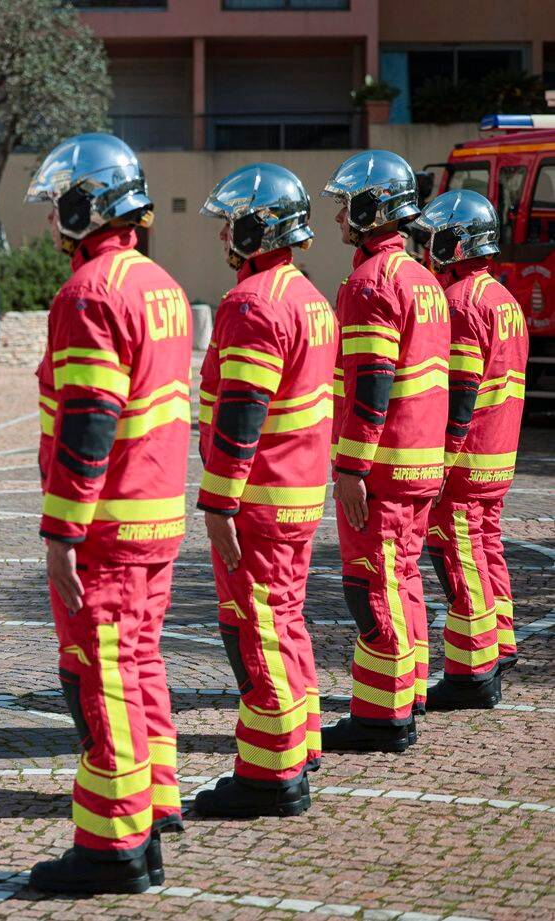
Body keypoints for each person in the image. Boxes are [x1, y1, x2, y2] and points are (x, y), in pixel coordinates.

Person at [25, 134, 191, 895]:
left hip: (110, 523)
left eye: (59, 205)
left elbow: (89, 421)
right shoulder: (158, 281)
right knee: (141, 661)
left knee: (103, 677)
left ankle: (115, 849)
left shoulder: (90, 292)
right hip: (155, 513)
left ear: (83, 206)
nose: (54, 221)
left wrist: (62, 530)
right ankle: (154, 807)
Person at [193, 164, 335, 818]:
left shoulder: (252, 302)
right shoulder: (310, 295)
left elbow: (242, 411)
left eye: (230, 220)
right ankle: (299, 744)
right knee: (285, 620)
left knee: (257, 630)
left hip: (261, 499)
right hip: (301, 493)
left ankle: (272, 778)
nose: (223, 232)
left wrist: (219, 501)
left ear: (256, 226)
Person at [320, 150, 449, 752]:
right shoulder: (424, 279)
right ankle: (409, 693)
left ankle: (385, 717)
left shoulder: (373, 284)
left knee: (373, 586)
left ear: (372, 209)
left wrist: (350, 467)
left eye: (348, 204)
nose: (341, 215)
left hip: (385, 465)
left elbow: (371, 385)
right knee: (404, 580)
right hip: (421, 460)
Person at [411, 190, 529, 708]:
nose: (425, 250)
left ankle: (472, 671)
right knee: (486, 547)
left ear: (456, 244)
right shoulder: (503, 299)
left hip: (466, 458)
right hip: (499, 454)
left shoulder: (459, 304)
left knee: (459, 557)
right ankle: (499, 643)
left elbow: (459, 393)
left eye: (433, 240)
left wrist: (441, 460)